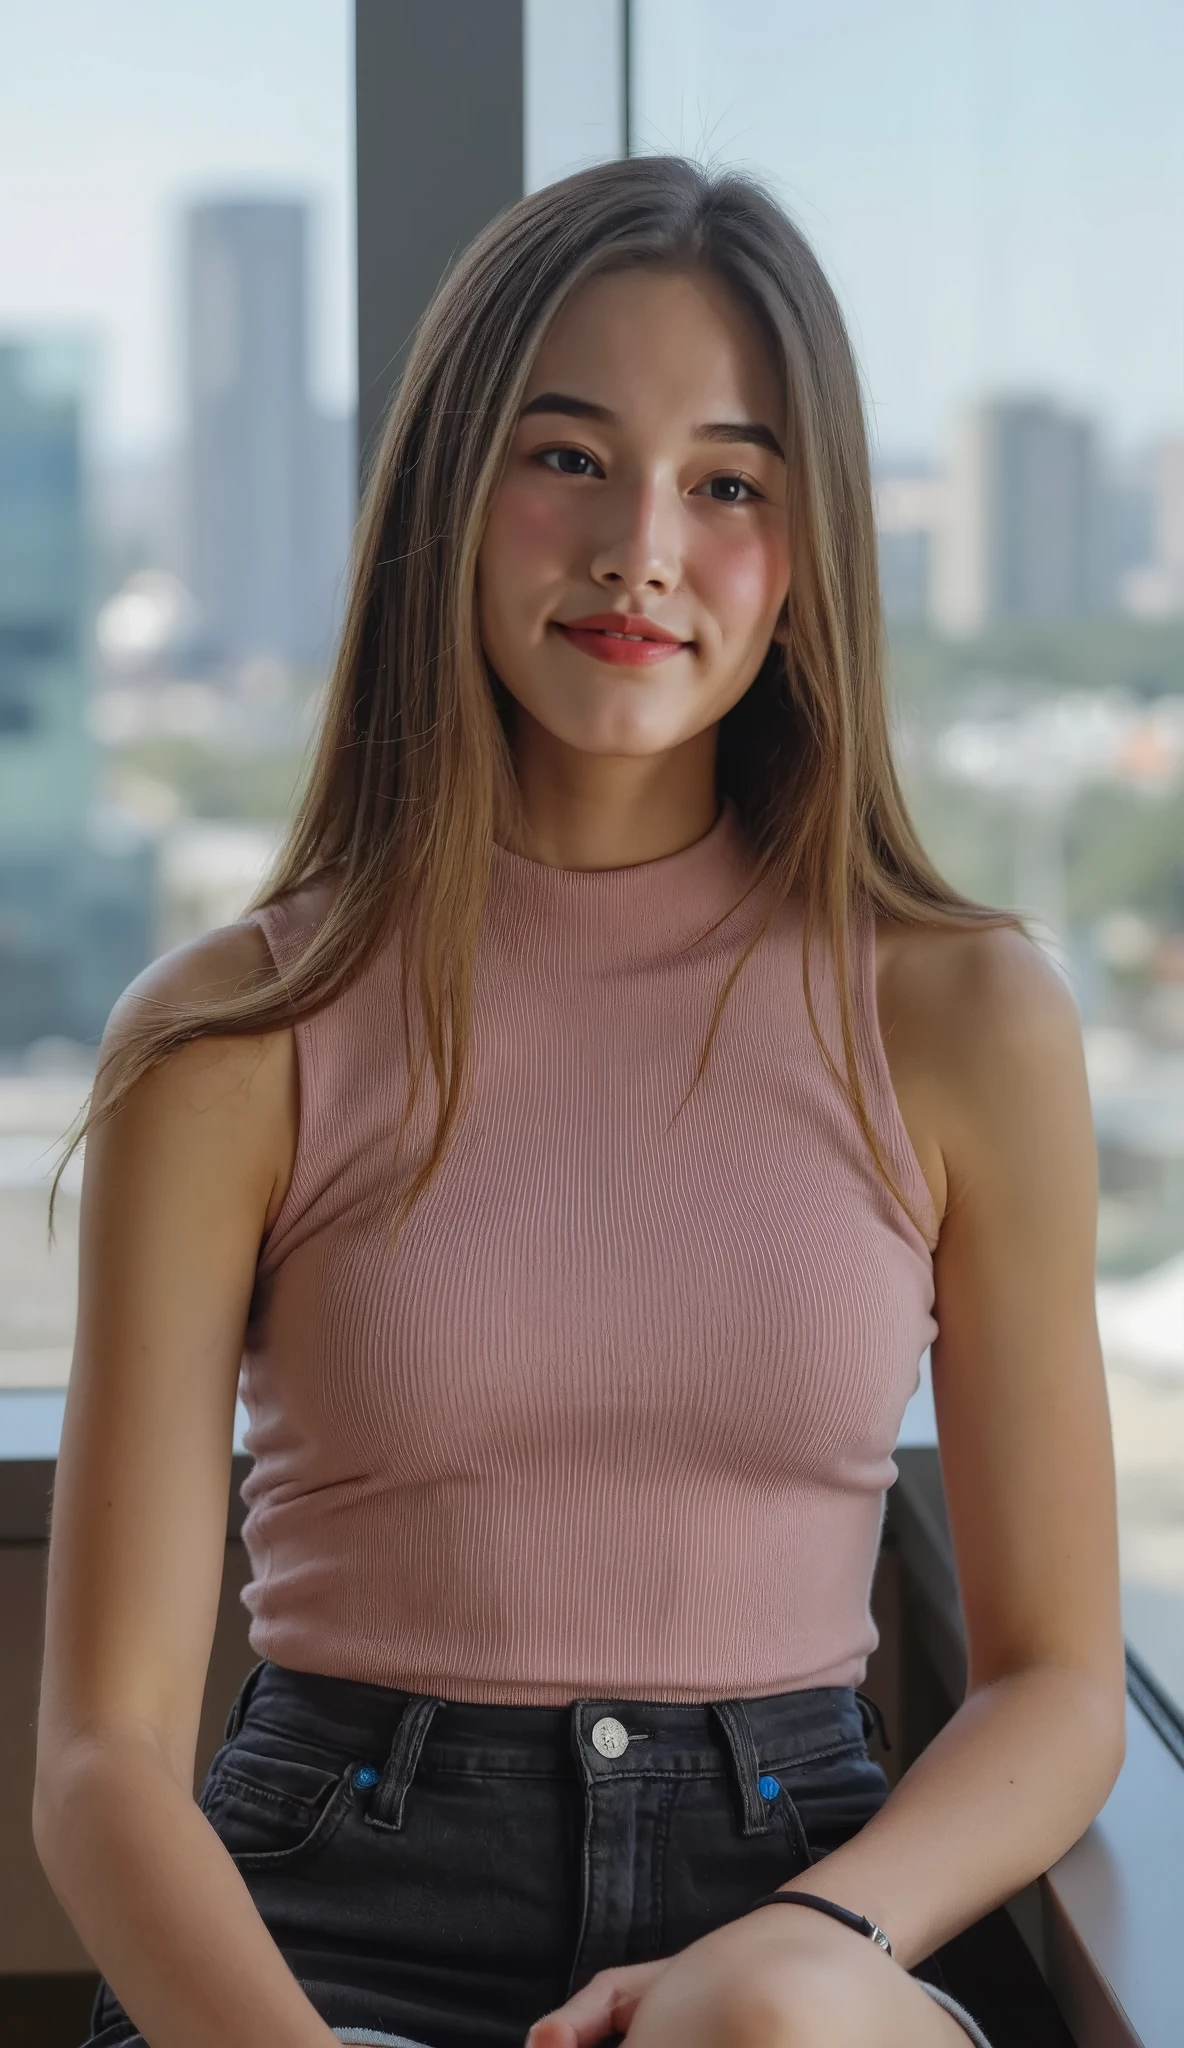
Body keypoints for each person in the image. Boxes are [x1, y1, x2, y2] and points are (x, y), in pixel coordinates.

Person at [34, 157, 1124, 2048]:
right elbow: (102, 1761)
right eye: (565, 459)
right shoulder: (231, 1035)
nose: (640, 548)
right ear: (451, 496)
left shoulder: (966, 1018)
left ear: (808, 558)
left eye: (726, 483)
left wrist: (823, 1935)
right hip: (323, 1931)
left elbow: (1055, 1685)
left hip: (800, 1896)